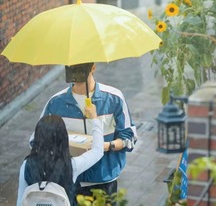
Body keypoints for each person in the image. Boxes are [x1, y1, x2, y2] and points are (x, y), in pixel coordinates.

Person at [30, 62, 137, 200]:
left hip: (104, 182)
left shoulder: (114, 98)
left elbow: (130, 138)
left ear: (93, 67)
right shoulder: (55, 103)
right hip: (69, 183)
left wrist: (107, 146)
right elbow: (36, 141)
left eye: (80, 68)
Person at [17, 106, 103, 206]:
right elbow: (97, 151)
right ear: (63, 137)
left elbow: (21, 200)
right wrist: (95, 119)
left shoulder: (26, 165)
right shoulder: (71, 165)